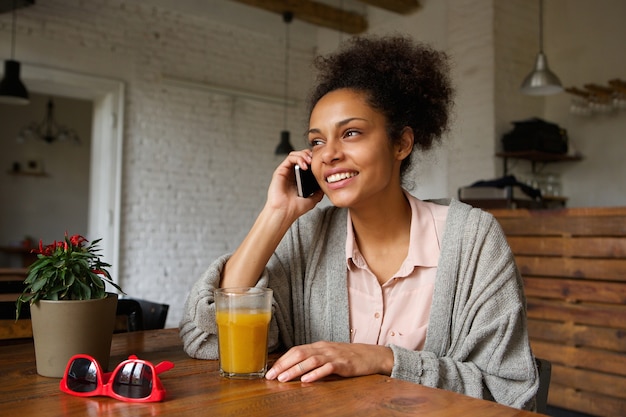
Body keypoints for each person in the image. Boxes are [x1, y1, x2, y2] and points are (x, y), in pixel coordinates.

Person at [179, 35, 539, 410]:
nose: (329, 154)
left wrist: (382, 359)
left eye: (351, 133)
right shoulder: (307, 235)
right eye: (316, 142)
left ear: (401, 144)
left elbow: (510, 390)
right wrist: (276, 215)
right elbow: (206, 338)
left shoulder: (472, 240)